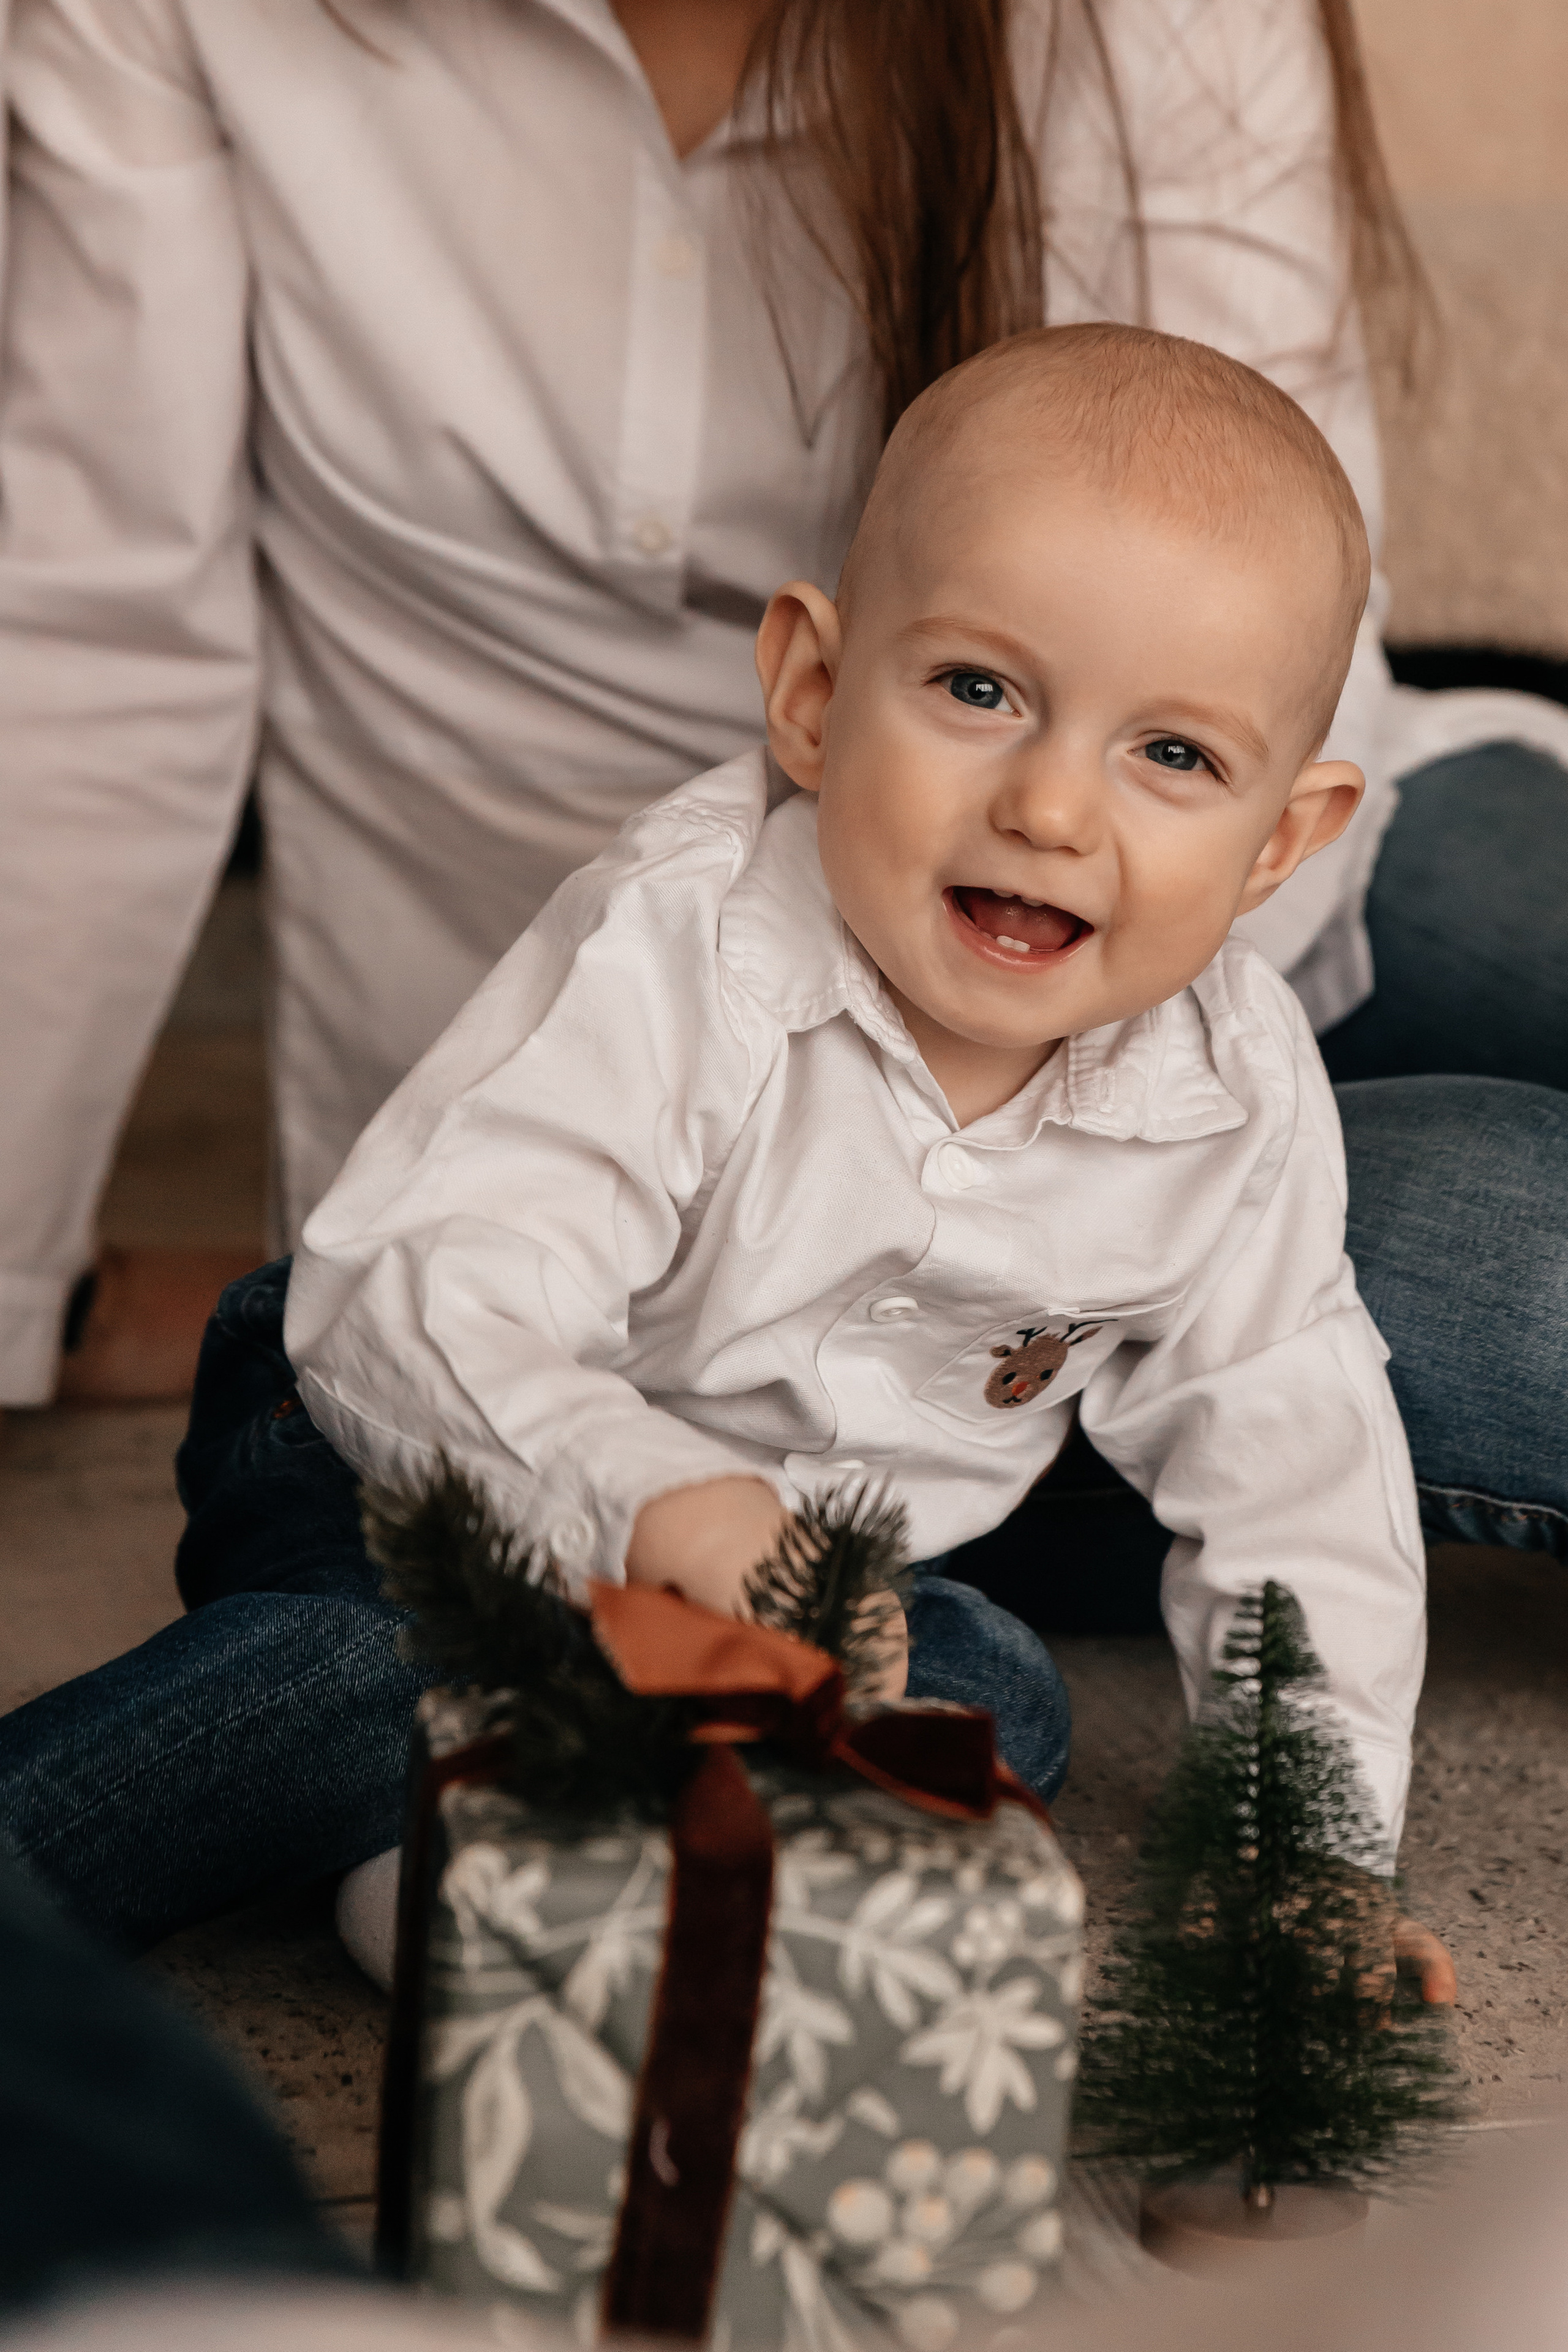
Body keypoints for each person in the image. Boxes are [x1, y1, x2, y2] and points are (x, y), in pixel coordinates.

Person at [1, 0, 1565, 1575]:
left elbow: (1236, 605)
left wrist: (1179, 1147)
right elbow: (88, 640)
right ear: (803, 688)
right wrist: (23, 1279)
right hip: (692, 1190)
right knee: (1514, 1238)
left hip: (1147, 959)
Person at [0, 327, 1457, 2008]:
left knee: (994, 1692)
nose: (1055, 808)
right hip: (417, 1450)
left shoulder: (1236, 1094)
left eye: (1174, 756)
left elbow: (1299, 1477)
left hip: (805, 1584)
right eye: (980, 691)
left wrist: (1307, 1855)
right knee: (354, 1662)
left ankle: (478, 1870)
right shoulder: (688, 946)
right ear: (816, 698)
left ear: (1281, 841)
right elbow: (420, 1288)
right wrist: (645, 1499)